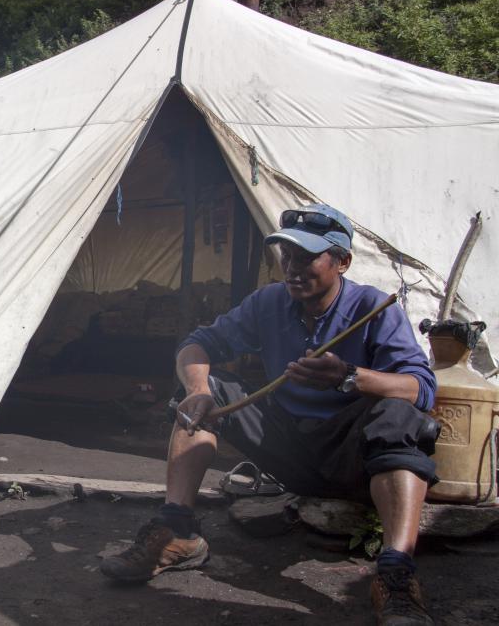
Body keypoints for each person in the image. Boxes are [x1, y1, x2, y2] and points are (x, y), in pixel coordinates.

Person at [99, 204, 439, 626]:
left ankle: (396, 573)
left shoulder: (374, 308)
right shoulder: (269, 302)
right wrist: (199, 390)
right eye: (286, 256)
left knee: (398, 413)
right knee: (206, 396)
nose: (292, 268)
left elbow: (421, 388)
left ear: (342, 262)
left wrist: (348, 377)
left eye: (307, 257)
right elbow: (197, 345)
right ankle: (179, 532)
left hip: (355, 458)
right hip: (289, 448)